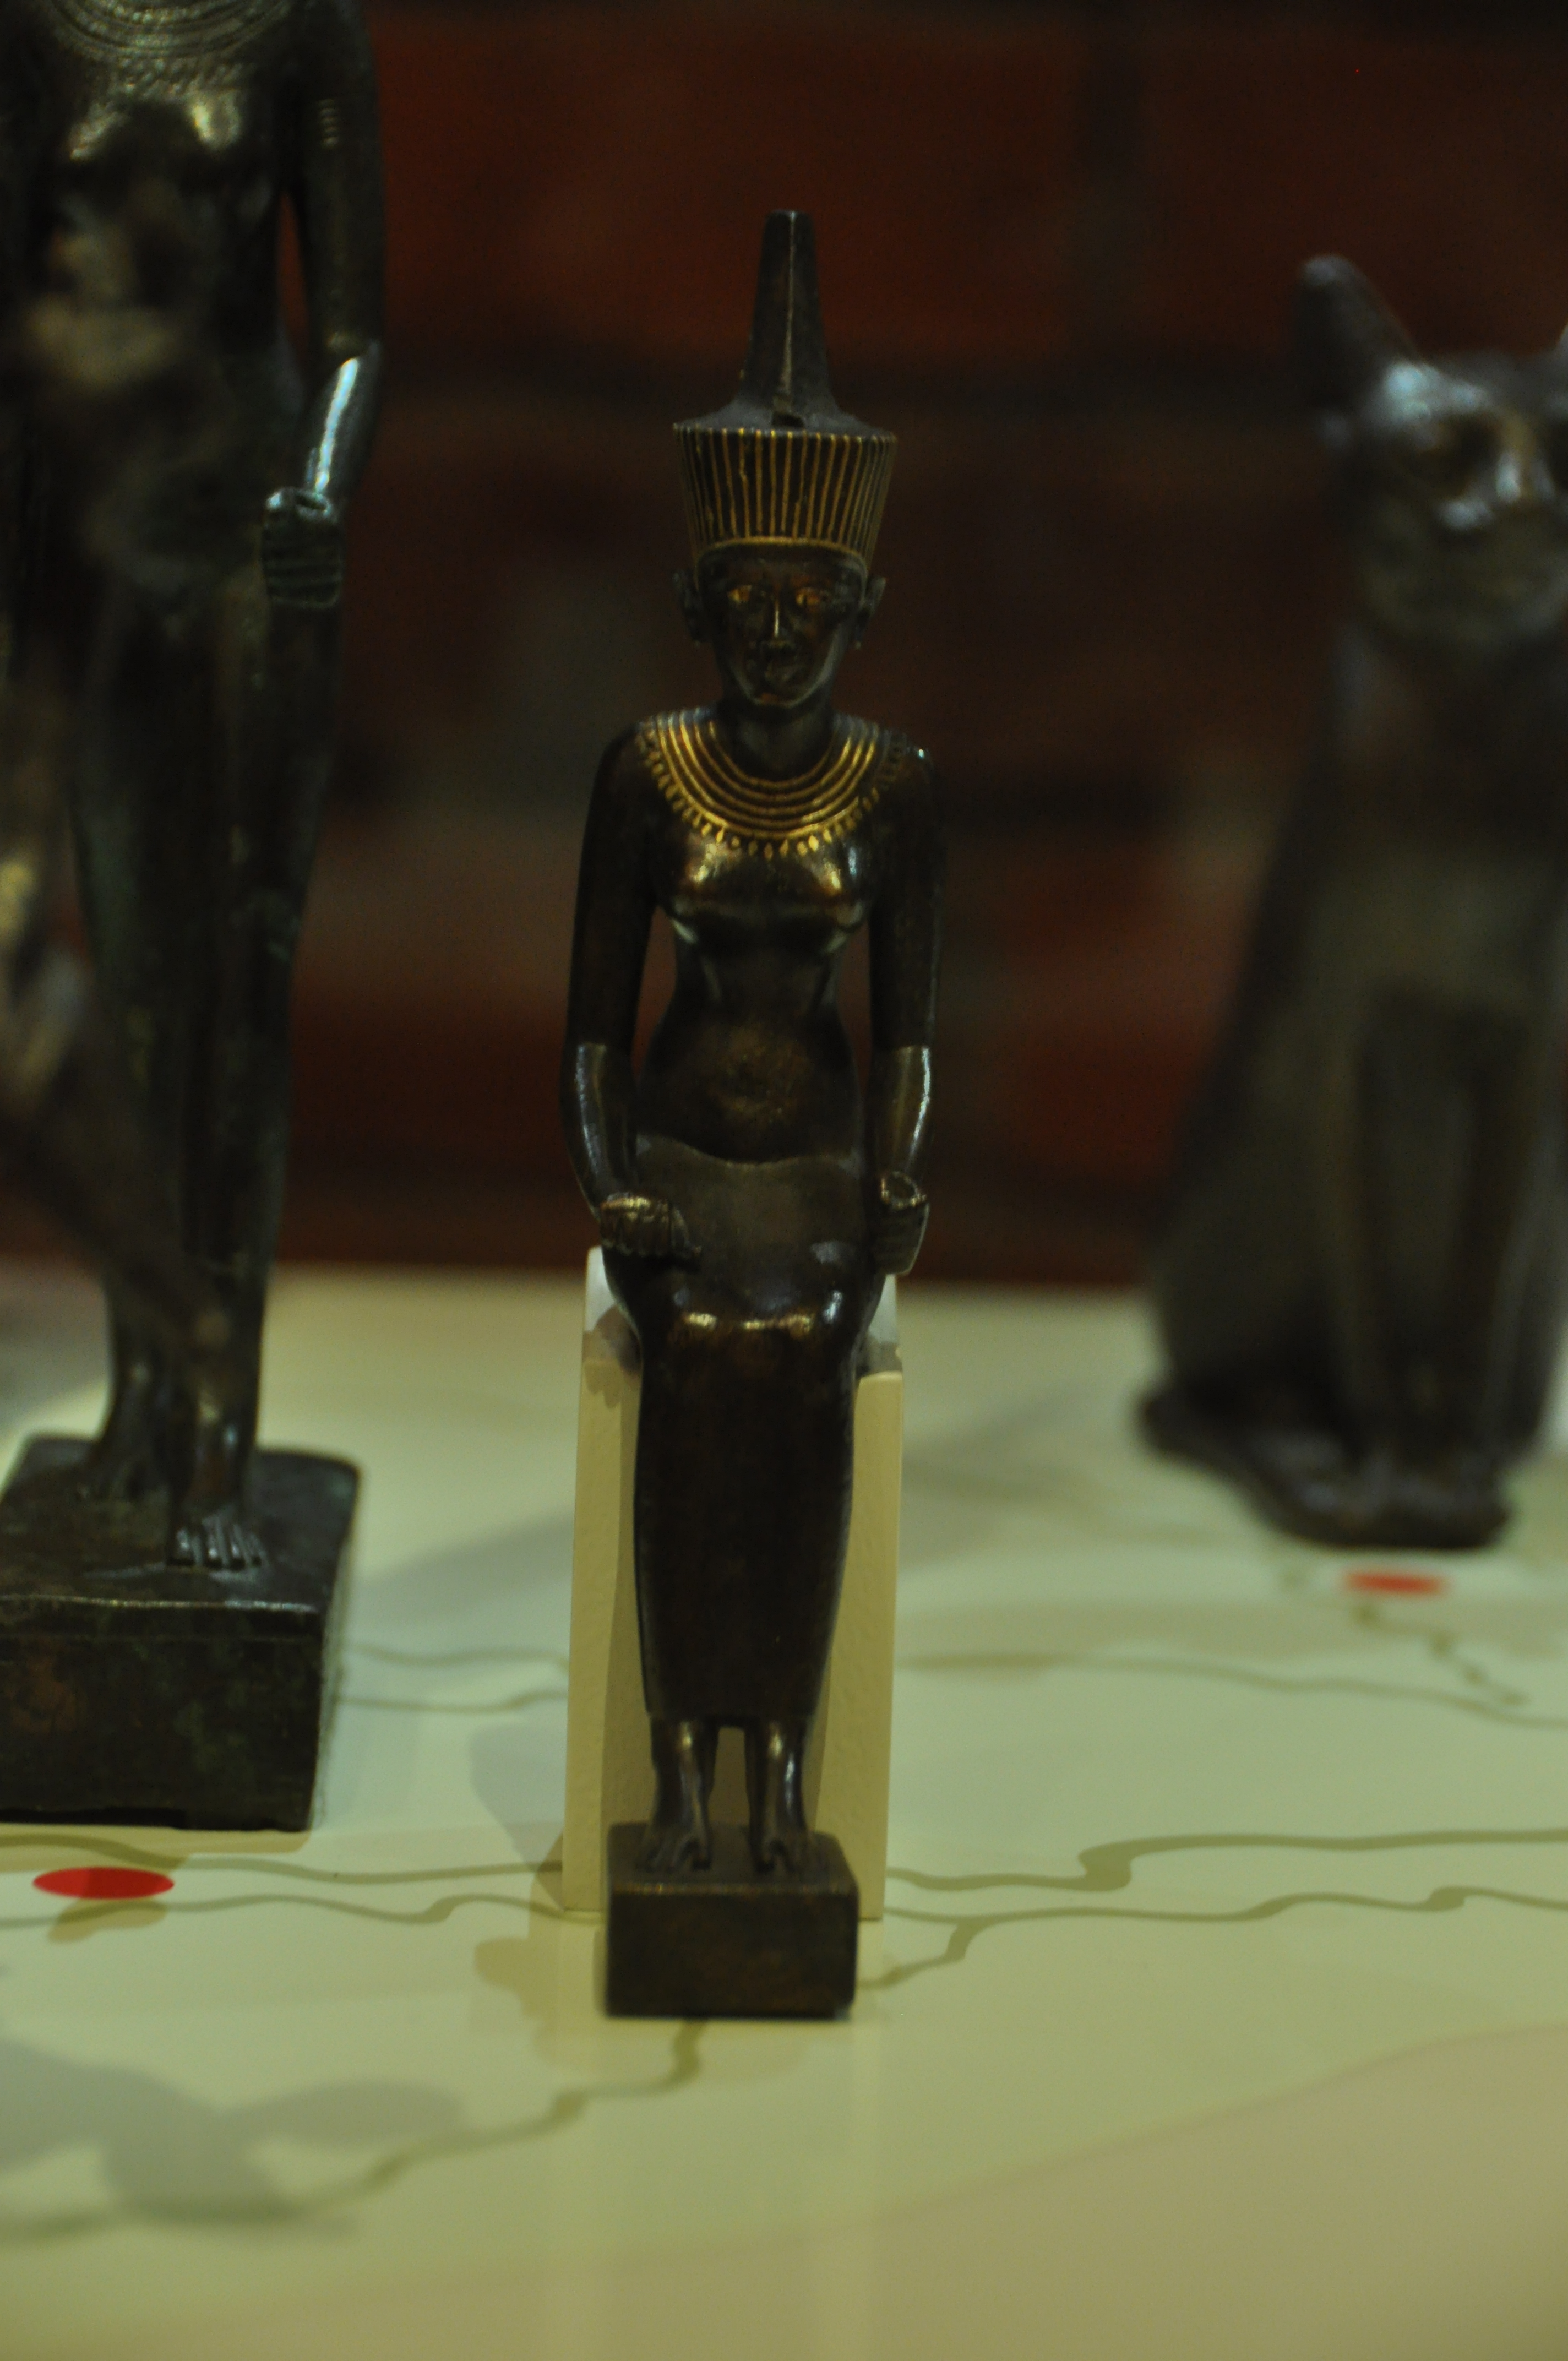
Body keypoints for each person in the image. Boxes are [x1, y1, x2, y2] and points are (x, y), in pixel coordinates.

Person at [562, 212, 943, 1875]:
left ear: (862, 606)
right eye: (745, 599)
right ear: (694, 603)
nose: (776, 633)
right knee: (710, 1350)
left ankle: (779, 1766)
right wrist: (609, 1186)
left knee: (801, 1360)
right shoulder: (647, 772)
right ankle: (676, 1768)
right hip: (683, 1159)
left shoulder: (896, 786)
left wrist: (898, 1177)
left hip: (816, 1167)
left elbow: (910, 1036)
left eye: (808, 602)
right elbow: (592, 1035)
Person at [1, 0, 383, 1565]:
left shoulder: (299, 22)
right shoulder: (39, 24)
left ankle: (222, 1419)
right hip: (97, 538)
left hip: (253, 538)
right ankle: (143, 1388)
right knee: (120, 984)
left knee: (238, 984)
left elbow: (353, 336)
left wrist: (323, 490)